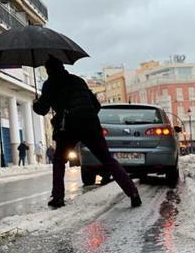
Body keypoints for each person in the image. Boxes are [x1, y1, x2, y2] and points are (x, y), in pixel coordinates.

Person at [33, 57, 141, 209]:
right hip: (90, 124)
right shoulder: (78, 80)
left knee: (59, 161)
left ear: (48, 70)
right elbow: (96, 105)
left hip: (68, 127)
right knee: (108, 160)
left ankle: (57, 197)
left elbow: (42, 109)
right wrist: (86, 115)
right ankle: (133, 193)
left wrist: (35, 103)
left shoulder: (50, 84)